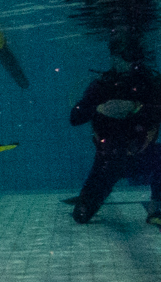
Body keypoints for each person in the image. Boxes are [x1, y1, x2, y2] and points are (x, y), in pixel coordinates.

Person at [67, 61, 161, 227]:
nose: (126, 64)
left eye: (129, 57)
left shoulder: (150, 86)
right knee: (81, 215)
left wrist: (135, 107)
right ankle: (89, 198)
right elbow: (75, 117)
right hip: (109, 161)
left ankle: (155, 207)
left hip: (142, 155)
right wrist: (98, 108)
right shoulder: (103, 86)